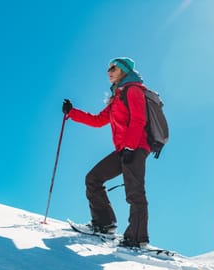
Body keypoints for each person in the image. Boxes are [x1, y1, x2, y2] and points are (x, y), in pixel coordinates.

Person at [62, 57, 151, 248]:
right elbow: (97, 120)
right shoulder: (116, 98)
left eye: (114, 68)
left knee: (134, 192)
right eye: (108, 68)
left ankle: (137, 238)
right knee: (93, 178)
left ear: (124, 71)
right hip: (123, 149)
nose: (109, 71)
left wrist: (130, 147)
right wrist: (72, 112)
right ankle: (104, 224)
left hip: (135, 147)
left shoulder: (134, 90)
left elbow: (138, 120)